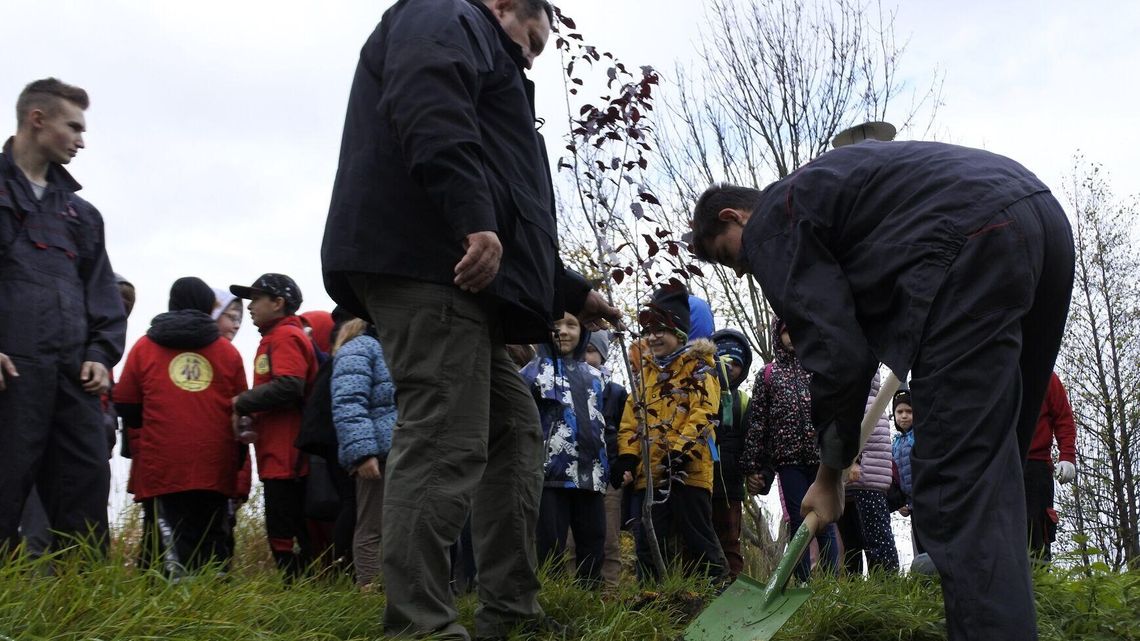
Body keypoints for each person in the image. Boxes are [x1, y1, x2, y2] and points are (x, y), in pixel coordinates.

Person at [688, 140, 1074, 640]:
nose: (743, 271)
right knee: (996, 468)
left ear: (734, 216)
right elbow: (853, 340)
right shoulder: (833, 193)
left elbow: (837, 353)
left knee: (959, 487)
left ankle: (983, 607)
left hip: (971, 245)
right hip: (1039, 216)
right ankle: (988, 597)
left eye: (729, 256)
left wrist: (828, 476)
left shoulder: (775, 220)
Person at [320, 0, 619, 637]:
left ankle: (510, 612)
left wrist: (567, 289)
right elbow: (430, 107)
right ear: (503, 5)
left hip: (462, 271)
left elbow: (507, 201)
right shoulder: (445, 15)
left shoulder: (490, 64)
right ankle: (421, 623)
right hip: (430, 261)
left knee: (514, 430)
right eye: (532, 38)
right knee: (446, 434)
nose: (531, 56)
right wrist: (469, 217)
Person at [0, 78, 127, 556]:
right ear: (37, 119)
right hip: (10, 373)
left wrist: (100, 353)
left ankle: (82, 614)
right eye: (72, 126)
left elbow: (101, 293)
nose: (81, 139)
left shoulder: (81, 215)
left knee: (83, 490)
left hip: (72, 378)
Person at [114, 277, 248, 575]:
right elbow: (242, 411)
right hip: (215, 462)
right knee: (212, 540)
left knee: (165, 541)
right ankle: (215, 605)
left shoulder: (145, 346)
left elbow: (125, 403)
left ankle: (168, 608)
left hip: (163, 462)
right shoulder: (227, 353)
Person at [612, 285, 727, 581]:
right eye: (648, 329)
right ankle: (652, 601)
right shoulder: (646, 373)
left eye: (660, 329)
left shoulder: (700, 367)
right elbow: (631, 420)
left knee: (698, 538)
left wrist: (679, 450)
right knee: (649, 544)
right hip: (650, 474)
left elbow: (703, 413)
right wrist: (627, 456)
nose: (652, 336)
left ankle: (717, 593)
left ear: (679, 332)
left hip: (688, 471)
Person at [230, 273, 318, 578]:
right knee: (284, 529)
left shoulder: (285, 336)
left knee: (287, 532)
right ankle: (300, 590)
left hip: (289, 456)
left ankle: (301, 592)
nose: (250, 306)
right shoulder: (275, 337)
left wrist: (242, 402)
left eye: (256, 299)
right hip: (277, 455)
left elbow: (290, 386)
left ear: (278, 303)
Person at [742, 318, 838, 580]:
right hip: (788, 461)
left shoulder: (816, 371)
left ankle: (832, 583)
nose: (793, 336)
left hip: (820, 459)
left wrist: (845, 454)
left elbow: (833, 413)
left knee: (824, 520)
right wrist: (753, 466)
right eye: (787, 332)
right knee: (798, 521)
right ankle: (803, 582)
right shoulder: (769, 375)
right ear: (778, 335)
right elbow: (758, 422)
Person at [520, 313, 608, 587]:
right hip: (550, 476)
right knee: (550, 546)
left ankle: (590, 604)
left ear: (582, 330)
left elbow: (604, 423)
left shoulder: (596, 376)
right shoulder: (530, 374)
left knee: (593, 543)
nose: (564, 331)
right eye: (557, 325)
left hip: (591, 476)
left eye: (571, 325)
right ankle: (551, 599)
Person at [330, 318, 396, 588]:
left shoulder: (389, 346)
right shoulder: (361, 348)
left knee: (396, 526)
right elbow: (348, 401)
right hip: (377, 452)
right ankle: (369, 591)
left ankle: (396, 591)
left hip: (401, 449)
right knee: (372, 527)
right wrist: (362, 453)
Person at [837, 373, 900, 575]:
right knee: (852, 542)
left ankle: (886, 583)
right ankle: (856, 586)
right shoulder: (857, 400)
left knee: (877, 538)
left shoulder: (865, 402)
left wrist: (854, 461)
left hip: (867, 481)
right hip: (852, 483)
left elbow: (854, 434)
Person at [584, 330, 627, 589]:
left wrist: (624, 466)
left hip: (609, 476)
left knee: (609, 538)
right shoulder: (567, 387)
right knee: (572, 541)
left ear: (602, 355)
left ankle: (610, 593)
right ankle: (574, 594)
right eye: (583, 350)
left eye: (591, 351)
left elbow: (626, 432)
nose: (586, 357)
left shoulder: (615, 393)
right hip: (577, 477)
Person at [709, 328, 753, 580]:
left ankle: (732, 587)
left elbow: (754, 442)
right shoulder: (700, 394)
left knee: (730, 540)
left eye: (736, 364)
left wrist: (759, 473)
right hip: (698, 484)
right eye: (724, 361)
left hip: (732, 487)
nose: (730, 368)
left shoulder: (744, 401)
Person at [1025, 371, 1077, 563]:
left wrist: (1067, 456)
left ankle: (1039, 586)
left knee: (1036, 526)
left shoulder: (1044, 376)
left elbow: (1064, 418)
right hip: (998, 466)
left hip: (1035, 467)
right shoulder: (993, 373)